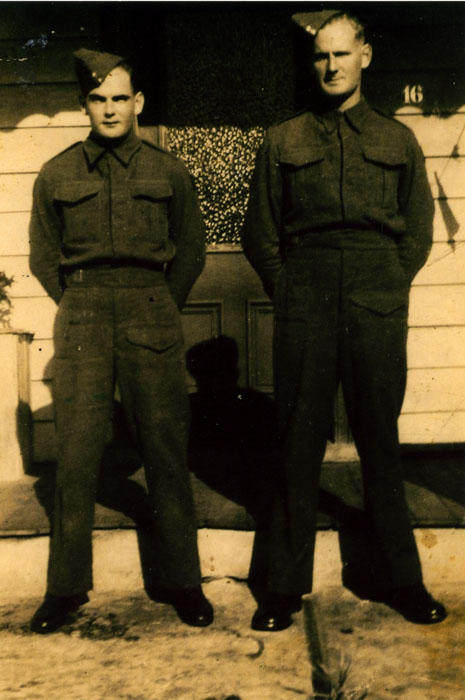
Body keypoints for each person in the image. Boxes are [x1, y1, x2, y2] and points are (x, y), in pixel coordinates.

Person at [241, 10, 447, 631]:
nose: (331, 66)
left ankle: (402, 580)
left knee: (379, 441)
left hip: (374, 297)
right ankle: (283, 587)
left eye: (341, 54)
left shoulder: (396, 139)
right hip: (305, 296)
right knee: (297, 442)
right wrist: (291, 290)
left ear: (365, 56)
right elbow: (261, 233)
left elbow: (417, 232)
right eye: (321, 56)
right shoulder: (283, 139)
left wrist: (386, 284)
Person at [29, 48, 212, 633]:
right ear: (84, 105)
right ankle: (65, 588)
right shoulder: (57, 173)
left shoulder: (168, 171)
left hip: (149, 309)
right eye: (97, 99)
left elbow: (190, 250)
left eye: (119, 98)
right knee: (76, 454)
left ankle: (183, 580)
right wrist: (79, 303)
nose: (109, 109)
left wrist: (158, 303)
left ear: (138, 103)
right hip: (82, 313)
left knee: (165, 448)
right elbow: (42, 256)